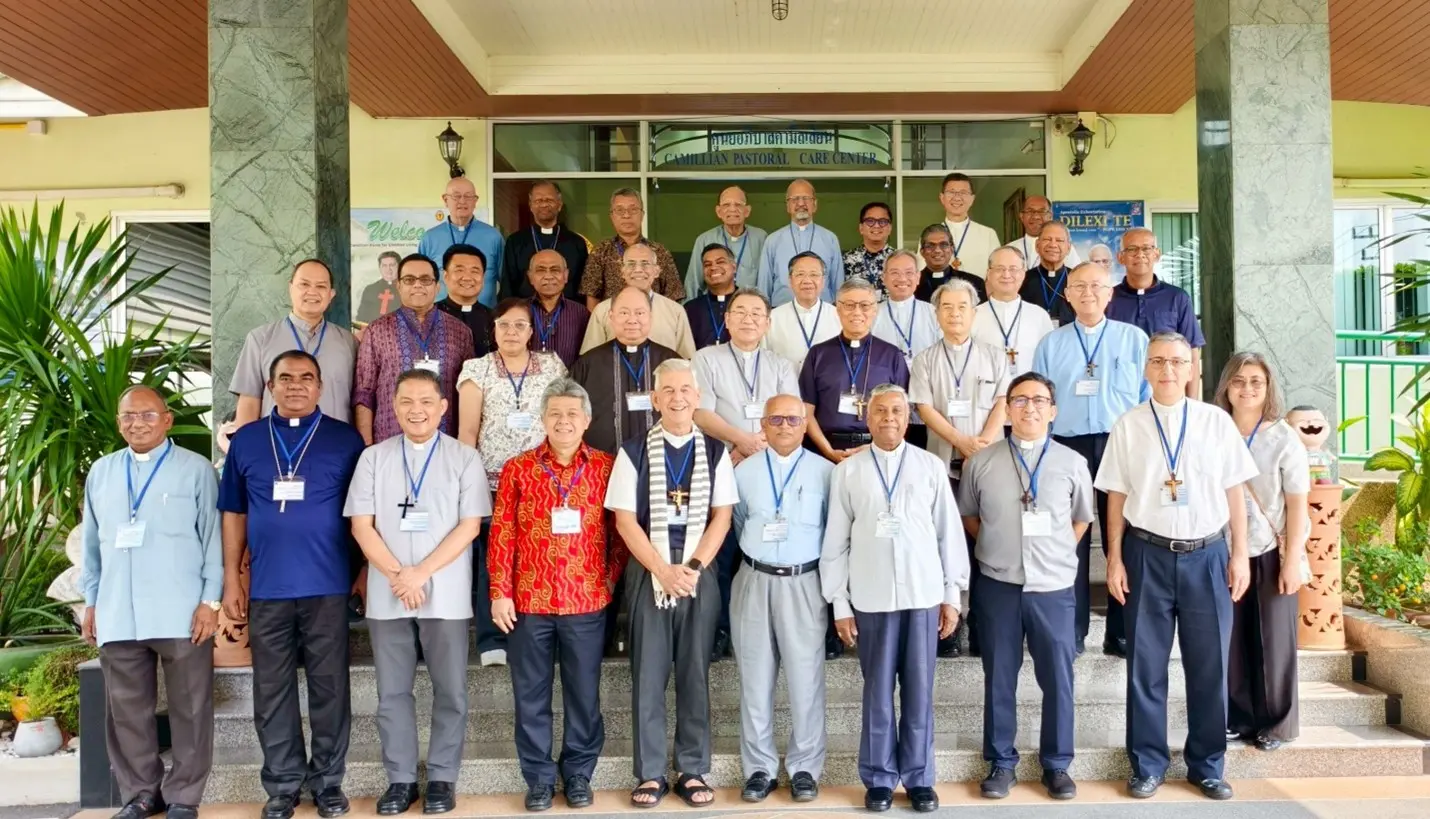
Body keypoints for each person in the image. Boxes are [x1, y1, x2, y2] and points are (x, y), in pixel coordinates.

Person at [1096, 332, 1259, 802]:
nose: (1167, 369)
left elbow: (1234, 492)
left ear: (1191, 369)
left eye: (1176, 362)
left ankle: (1206, 766)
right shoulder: (1128, 424)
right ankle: (1147, 765)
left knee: (1209, 667)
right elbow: (1116, 496)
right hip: (1145, 554)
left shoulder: (1215, 422)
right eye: (1158, 361)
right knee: (1145, 667)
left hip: (1207, 556)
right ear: (1146, 368)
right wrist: (1114, 557)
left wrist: (1240, 554)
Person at [219, 352, 367, 819]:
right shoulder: (247, 441)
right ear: (270, 386)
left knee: (330, 687)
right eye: (285, 378)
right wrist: (230, 579)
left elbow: (364, 513)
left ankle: (328, 783)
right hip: (267, 588)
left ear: (320, 387)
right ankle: (282, 785)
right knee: (271, 690)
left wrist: (363, 572)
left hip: (328, 585)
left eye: (306, 378)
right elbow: (233, 513)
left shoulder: (345, 440)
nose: (296, 385)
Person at [345, 370, 489, 816]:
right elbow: (361, 526)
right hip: (388, 591)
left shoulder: (465, 458)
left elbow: (470, 526)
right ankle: (401, 779)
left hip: (444, 590)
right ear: (393, 406)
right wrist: (399, 575)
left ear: (444, 407)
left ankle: (443, 777)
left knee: (451, 690)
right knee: (391, 692)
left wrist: (420, 573)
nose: (416, 410)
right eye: (406, 401)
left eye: (426, 401)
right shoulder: (373, 458)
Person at [821, 384, 968, 814]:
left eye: (897, 411)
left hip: (923, 596)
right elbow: (835, 543)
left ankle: (920, 778)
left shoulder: (929, 466)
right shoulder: (848, 471)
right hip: (871, 598)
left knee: (919, 694)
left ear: (909, 418)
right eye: (881, 411)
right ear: (867, 418)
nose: (889, 418)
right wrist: (840, 603)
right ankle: (880, 779)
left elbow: (948, 534)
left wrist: (951, 595)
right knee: (878, 694)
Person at [81, 385, 222, 819]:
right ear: (118, 422)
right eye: (128, 416)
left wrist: (210, 600)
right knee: (126, 711)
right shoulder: (101, 472)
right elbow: (92, 545)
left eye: (146, 415)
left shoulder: (196, 469)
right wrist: (91, 602)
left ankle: (184, 796)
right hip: (117, 610)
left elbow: (213, 538)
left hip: (181, 609)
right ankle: (141, 794)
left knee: (191, 707)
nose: (136, 423)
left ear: (167, 419)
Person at [606, 359, 738, 809]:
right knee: (648, 672)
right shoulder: (633, 451)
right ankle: (650, 772)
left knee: (694, 671)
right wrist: (662, 570)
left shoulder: (716, 452)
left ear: (697, 397)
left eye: (685, 390)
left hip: (700, 570)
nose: (677, 398)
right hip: (650, 569)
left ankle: (692, 768)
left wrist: (694, 566)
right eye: (668, 391)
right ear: (655, 399)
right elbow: (625, 521)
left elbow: (722, 517)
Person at [488, 379, 623, 812]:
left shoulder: (606, 467)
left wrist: (609, 579)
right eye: (555, 414)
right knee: (531, 694)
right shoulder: (518, 468)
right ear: (543, 419)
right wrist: (500, 592)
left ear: (587, 420)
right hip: (528, 603)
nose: (564, 421)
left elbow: (621, 532)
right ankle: (540, 779)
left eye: (572, 414)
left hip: (586, 601)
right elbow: (502, 533)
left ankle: (579, 773)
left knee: (583, 693)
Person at [958, 373, 1093, 801]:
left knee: (1058, 678)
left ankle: (1057, 765)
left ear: (1053, 410)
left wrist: (1055, 553)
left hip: (1053, 587)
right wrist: (999, 547)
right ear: (1007, 409)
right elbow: (969, 516)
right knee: (999, 676)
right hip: (999, 584)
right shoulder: (981, 462)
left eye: (1039, 400)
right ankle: (1001, 762)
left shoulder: (1073, 462)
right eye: (1019, 400)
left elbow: (1081, 518)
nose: (1029, 407)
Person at [1031, 262, 1150, 657]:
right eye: (1079, 286)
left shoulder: (1133, 339)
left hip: (1121, 443)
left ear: (1110, 292)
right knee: (1070, 537)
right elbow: (1041, 401)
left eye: (1096, 286)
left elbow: (1146, 397)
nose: (1088, 293)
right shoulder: (1051, 344)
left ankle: (1121, 631)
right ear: (1067, 294)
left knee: (1124, 536)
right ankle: (1072, 631)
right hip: (1067, 447)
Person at [730, 395, 832, 804]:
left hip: (804, 582)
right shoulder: (744, 472)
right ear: (763, 425)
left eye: (793, 419)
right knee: (754, 680)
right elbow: (739, 522)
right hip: (754, 579)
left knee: (806, 680)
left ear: (805, 424)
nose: (785, 426)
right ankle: (760, 768)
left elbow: (832, 531)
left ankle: (805, 768)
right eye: (776, 419)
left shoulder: (826, 472)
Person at [457, 299, 568, 667]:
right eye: (504, 324)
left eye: (520, 325)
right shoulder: (477, 369)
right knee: (495, 559)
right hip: (492, 481)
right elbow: (468, 432)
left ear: (531, 331)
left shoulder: (551, 366)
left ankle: (537, 633)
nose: (512, 332)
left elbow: (562, 418)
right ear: (494, 329)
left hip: (542, 480)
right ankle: (492, 638)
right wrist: (467, 484)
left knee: (541, 554)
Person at [691, 288, 800, 660]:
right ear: (727, 319)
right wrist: (741, 442)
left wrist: (754, 447)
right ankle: (719, 629)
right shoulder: (706, 358)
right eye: (740, 312)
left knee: (766, 550)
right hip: (723, 466)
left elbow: (791, 416)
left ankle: (767, 631)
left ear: (767, 323)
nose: (748, 319)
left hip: (770, 471)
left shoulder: (781, 365)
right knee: (721, 555)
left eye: (756, 313)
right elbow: (700, 413)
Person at [1213, 352, 1309, 752]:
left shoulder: (1283, 437)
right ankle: (1239, 717)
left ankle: (1278, 723)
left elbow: (1298, 505)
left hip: (1271, 549)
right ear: (1226, 387)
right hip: (1223, 548)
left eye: (1256, 381)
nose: (1247, 389)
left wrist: (1292, 561)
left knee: (1274, 639)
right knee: (1233, 639)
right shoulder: (1214, 431)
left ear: (1268, 388)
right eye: (1238, 381)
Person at [909, 279, 1010, 658]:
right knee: (942, 544)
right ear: (936, 314)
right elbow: (924, 408)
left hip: (990, 467)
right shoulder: (924, 360)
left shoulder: (994, 356)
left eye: (961, 307)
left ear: (974, 312)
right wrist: (960, 441)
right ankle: (946, 630)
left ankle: (984, 628)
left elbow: (1003, 401)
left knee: (988, 543)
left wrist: (979, 445)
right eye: (946, 307)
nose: (954, 314)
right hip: (942, 467)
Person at [353, 254, 475, 445]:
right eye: (409, 280)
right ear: (399, 286)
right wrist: (367, 446)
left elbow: (469, 395)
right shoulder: (377, 330)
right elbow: (364, 393)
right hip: (389, 443)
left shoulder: (460, 332)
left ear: (437, 287)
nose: (417, 285)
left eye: (425, 280)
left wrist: (464, 447)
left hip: (446, 445)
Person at [232, 259, 357, 427]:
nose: (312, 292)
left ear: (331, 294)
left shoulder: (349, 342)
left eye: (321, 286)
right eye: (304, 284)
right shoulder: (260, 339)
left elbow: (360, 402)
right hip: (276, 441)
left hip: (335, 440)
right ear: (291, 288)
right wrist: (246, 441)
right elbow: (249, 400)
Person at [801, 278, 910, 468]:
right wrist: (828, 451)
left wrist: (874, 447)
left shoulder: (892, 355)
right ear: (838, 309)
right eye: (849, 305)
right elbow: (806, 411)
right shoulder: (818, 354)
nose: (857, 312)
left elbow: (904, 412)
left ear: (875, 310)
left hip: (878, 449)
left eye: (865, 305)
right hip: (824, 450)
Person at [1108, 228, 1207, 399]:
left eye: (1146, 248)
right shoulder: (1108, 298)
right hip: (1121, 395)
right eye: (1131, 249)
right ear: (1120, 257)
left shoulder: (1177, 298)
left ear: (1157, 254)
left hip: (1168, 391)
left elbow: (1192, 352)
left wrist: (1192, 404)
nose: (1140, 254)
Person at [582, 242, 697, 359]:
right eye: (631, 264)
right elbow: (590, 359)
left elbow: (686, 359)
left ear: (656, 271)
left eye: (645, 264)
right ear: (622, 271)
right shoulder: (602, 310)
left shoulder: (675, 311)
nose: (638, 270)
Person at [872, 250, 939, 448]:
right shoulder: (873, 314)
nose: (902, 279)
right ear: (884, 277)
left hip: (927, 405)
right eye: (894, 273)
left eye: (909, 273)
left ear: (918, 277)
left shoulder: (933, 313)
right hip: (885, 410)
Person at [580, 188, 683, 309]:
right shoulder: (601, 251)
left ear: (642, 215)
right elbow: (592, 295)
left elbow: (673, 295)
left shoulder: (659, 251)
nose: (626, 215)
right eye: (620, 210)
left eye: (633, 209)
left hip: (653, 318)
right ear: (612, 216)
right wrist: (597, 319)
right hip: (612, 318)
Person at [418, 177, 505, 308]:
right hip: (441, 315)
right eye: (456, 196)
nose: (462, 201)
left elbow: (506, 281)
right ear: (445, 200)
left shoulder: (493, 236)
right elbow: (422, 281)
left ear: (475, 201)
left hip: (484, 315)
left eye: (468, 196)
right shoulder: (430, 238)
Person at [757, 179, 844, 307]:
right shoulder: (773, 240)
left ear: (815, 204)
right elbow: (763, 287)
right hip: (782, 312)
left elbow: (838, 285)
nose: (801, 203)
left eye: (806, 198)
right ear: (787, 206)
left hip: (823, 312)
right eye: (795, 199)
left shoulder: (830, 239)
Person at [972, 247, 1054, 378]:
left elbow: (1050, 360)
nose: (1006, 275)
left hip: (1029, 388)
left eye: (1013, 269)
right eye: (999, 269)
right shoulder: (973, 315)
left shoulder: (1039, 315)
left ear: (1023, 274)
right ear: (989, 274)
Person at [500, 181, 588, 302]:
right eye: (538, 200)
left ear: (559, 204)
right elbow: (508, 285)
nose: (544, 204)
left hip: (568, 309)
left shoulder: (576, 243)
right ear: (531, 206)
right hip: (525, 309)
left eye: (549, 200)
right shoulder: (515, 241)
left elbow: (583, 285)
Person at [684, 185, 766, 296]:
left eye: (738, 204)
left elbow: (767, 280)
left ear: (747, 211)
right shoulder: (704, 240)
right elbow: (693, 283)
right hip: (714, 302)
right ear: (719, 211)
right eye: (726, 205)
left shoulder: (761, 238)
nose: (732, 209)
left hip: (749, 303)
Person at [766, 252, 841, 371]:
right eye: (800, 274)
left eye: (814, 274)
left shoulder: (839, 316)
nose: (807, 281)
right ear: (790, 280)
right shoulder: (772, 318)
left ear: (823, 281)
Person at [525, 249, 592, 368]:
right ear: (530, 277)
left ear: (565, 275)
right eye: (541, 270)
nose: (548, 276)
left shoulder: (581, 313)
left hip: (570, 379)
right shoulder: (519, 311)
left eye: (555, 270)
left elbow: (588, 357)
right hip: (526, 378)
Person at [435, 244, 495, 360]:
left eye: (474, 271)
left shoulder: (495, 319)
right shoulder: (428, 315)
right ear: (445, 276)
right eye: (459, 270)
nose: (467, 277)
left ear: (483, 278)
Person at [937, 173, 1001, 277]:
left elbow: (997, 271)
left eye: (963, 193)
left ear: (972, 199)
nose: (957, 198)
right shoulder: (931, 235)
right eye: (951, 192)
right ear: (942, 197)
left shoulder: (988, 234)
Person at [1019, 221, 1076, 327]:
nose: (1053, 245)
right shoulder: (1022, 280)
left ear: (1068, 248)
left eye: (1059, 240)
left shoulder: (1077, 279)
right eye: (1047, 239)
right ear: (1037, 245)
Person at [915, 224, 986, 303]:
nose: (937, 250)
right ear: (922, 252)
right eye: (930, 246)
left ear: (952, 249)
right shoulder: (912, 284)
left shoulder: (975, 283)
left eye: (943, 245)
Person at [685, 244, 738, 349]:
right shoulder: (690, 309)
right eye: (707, 264)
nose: (713, 267)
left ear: (734, 267)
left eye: (720, 262)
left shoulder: (751, 304)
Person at [1004, 196, 1080, 269]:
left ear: (1050, 216)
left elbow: (1077, 274)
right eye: (1030, 211)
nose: (1036, 217)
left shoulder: (1063, 248)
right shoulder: (1010, 249)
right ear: (1021, 216)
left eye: (1042, 211)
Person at [842, 202, 896, 301]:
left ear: (889, 228)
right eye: (870, 221)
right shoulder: (846, 260)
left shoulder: (899, 259)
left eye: (882, 221)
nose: (876, 226)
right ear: (861, 228)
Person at [357, 251, 401, 324]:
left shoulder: (407, 289)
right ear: (380, 268)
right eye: (384, 265)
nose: (388, 269)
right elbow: (361, 318)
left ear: (400, 266)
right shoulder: (370, 289)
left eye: (392, 265)